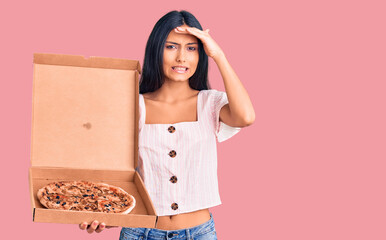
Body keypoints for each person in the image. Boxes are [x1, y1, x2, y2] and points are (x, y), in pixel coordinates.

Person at [79, 10, 255, 239]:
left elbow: (245, 117)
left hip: (199, 233)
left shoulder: (210, 103)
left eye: (191, 48)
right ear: (156, 50)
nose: (182, 57)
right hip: (140, 232)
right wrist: (109, 214)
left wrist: (218, 54)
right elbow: (116, 172)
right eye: (171, 46)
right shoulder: (133, 105)